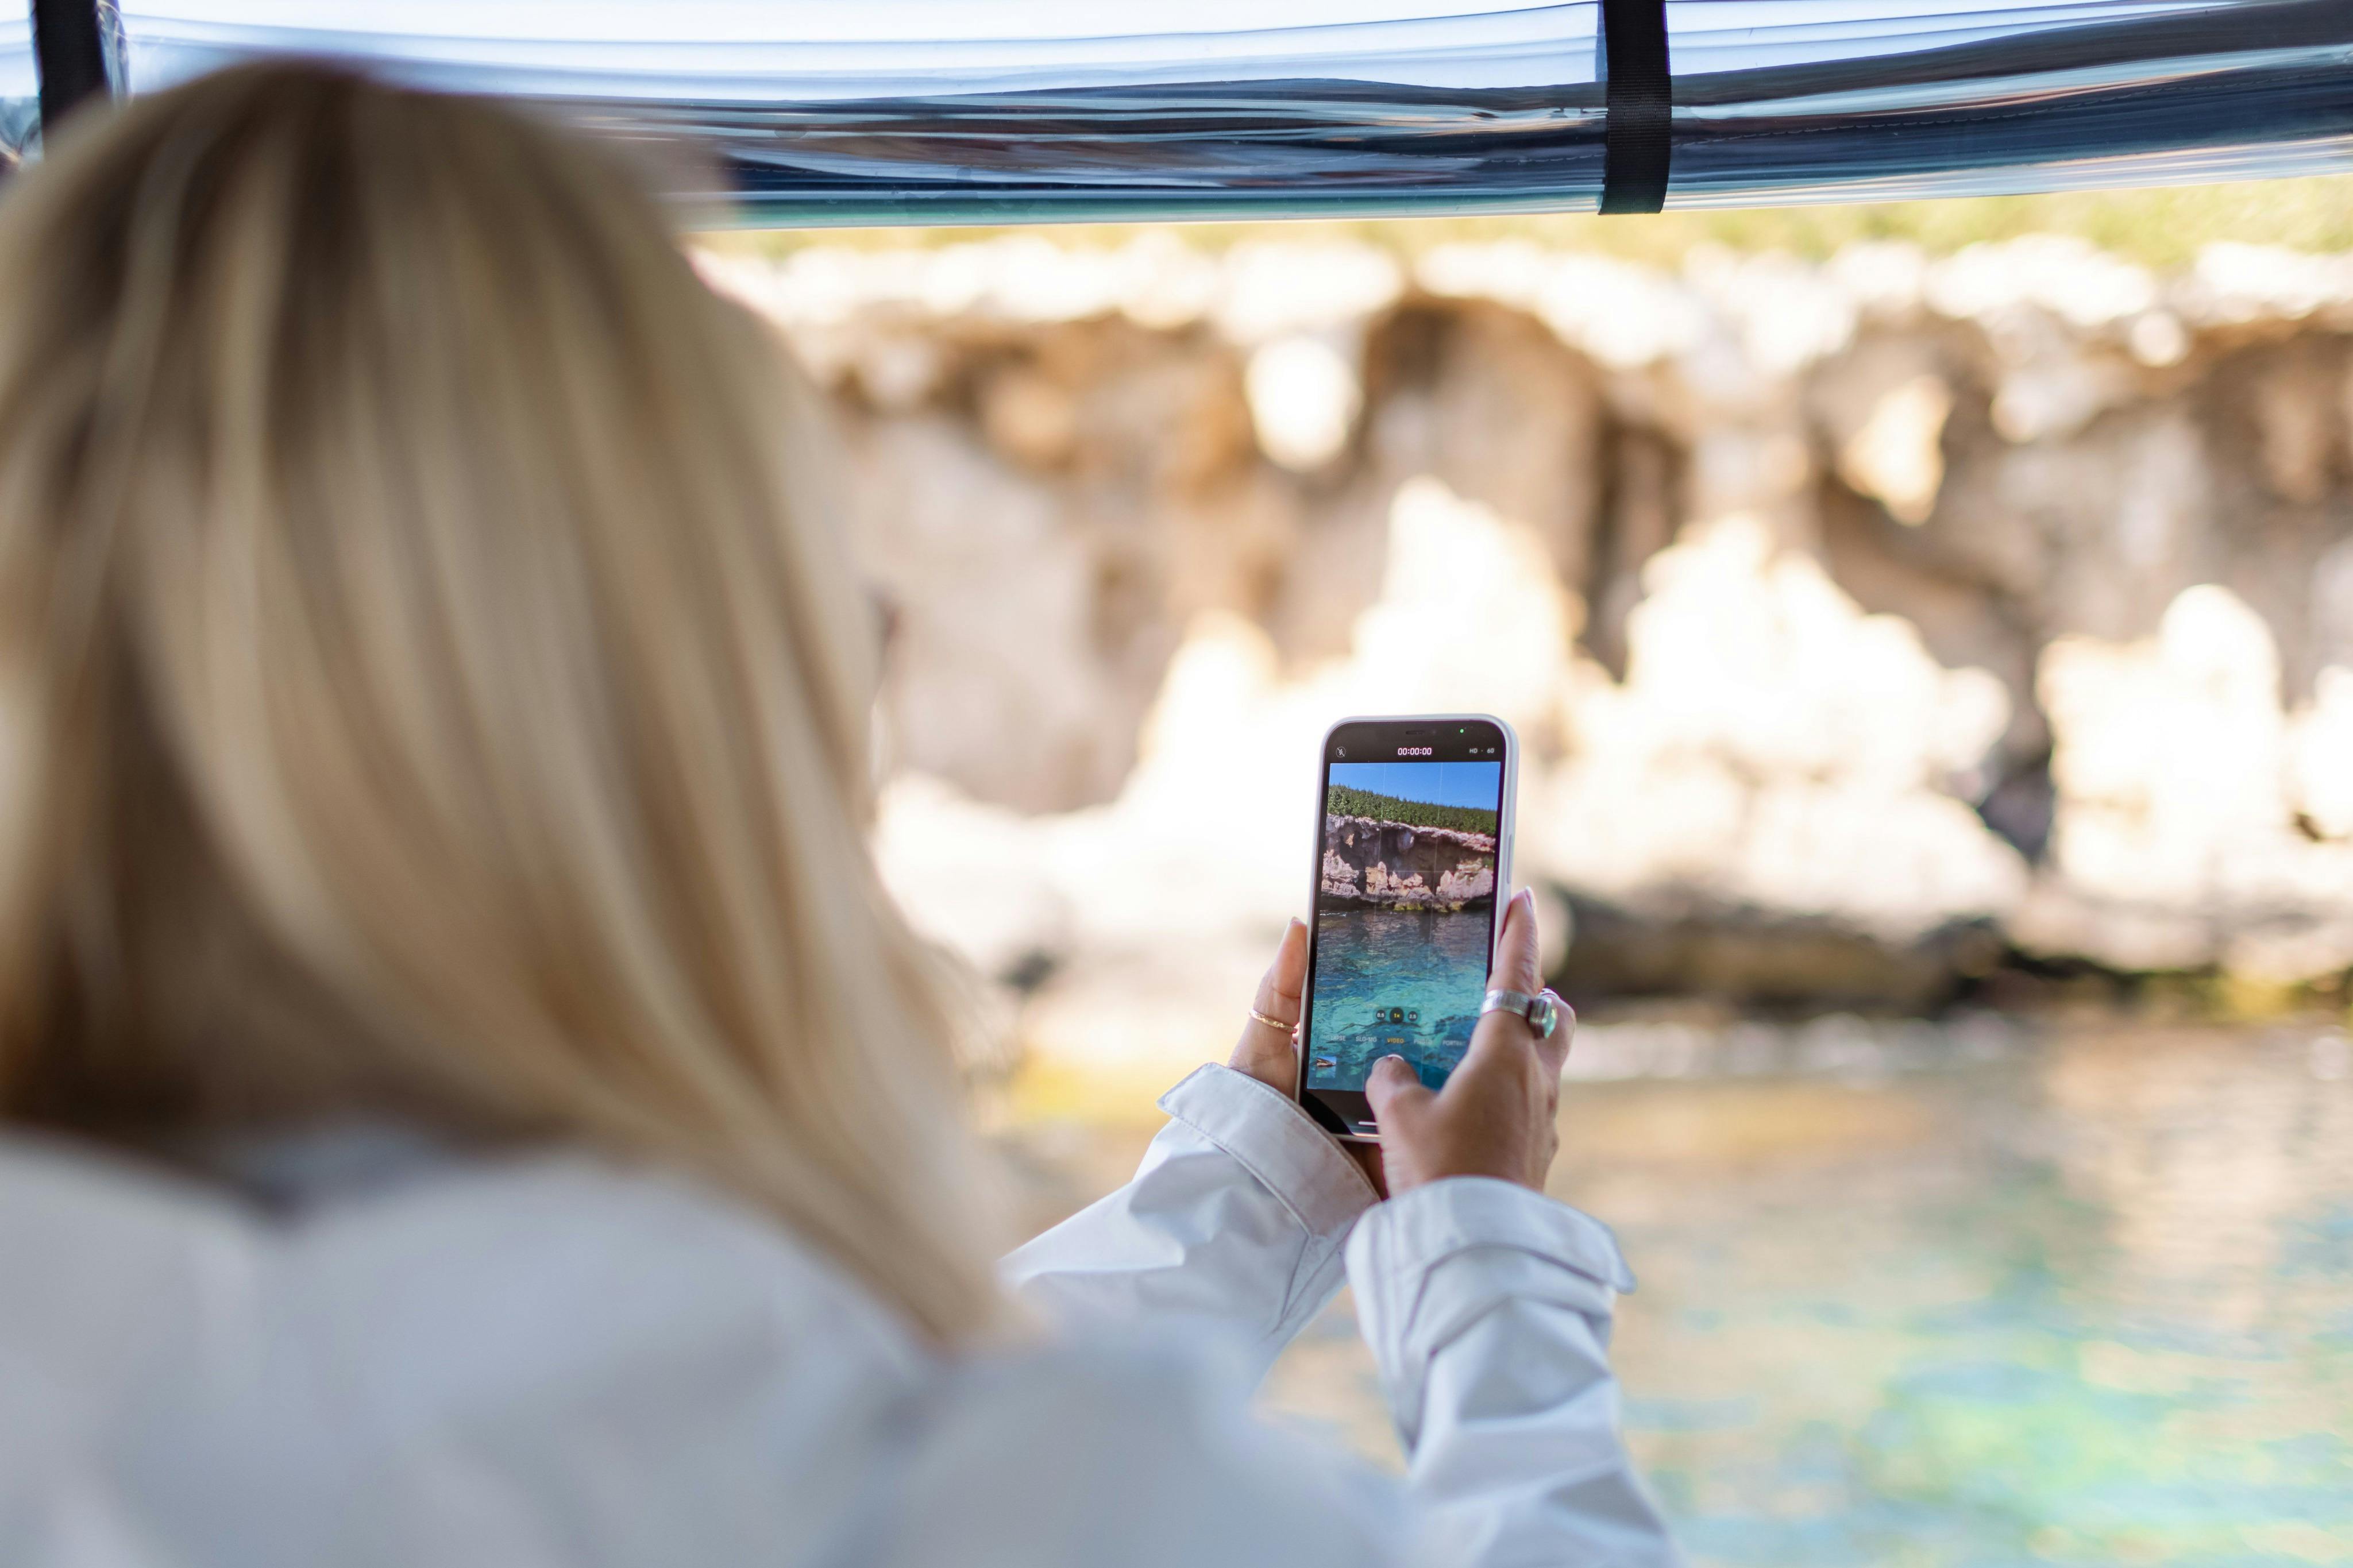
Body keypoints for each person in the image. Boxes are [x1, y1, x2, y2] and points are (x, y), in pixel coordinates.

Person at [0, 63, 1679, 1568]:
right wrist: (1483, 1260)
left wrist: (1261, 1176)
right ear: (685, 718)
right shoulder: (960, 1489)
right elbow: (860, 1446)